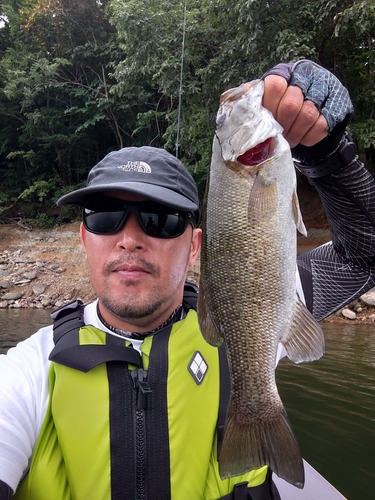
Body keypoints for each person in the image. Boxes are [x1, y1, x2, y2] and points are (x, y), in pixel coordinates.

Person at [1, 59, 375, 500]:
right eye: (105, 217)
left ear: (195, 245)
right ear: (85, 238)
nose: (129, 239)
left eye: (159, 219)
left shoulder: (246, 320)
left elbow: (362, 255)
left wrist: (330, 156)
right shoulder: (28, 372)